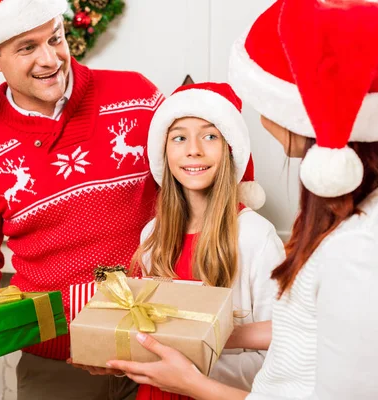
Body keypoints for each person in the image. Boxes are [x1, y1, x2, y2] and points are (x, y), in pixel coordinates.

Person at [106, 0, 378, 399]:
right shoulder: (372, 221)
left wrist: (193, 384)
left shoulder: (358, 252)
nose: (259, 120)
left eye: (264, 102)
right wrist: (207, 335)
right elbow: (304, 334)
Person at [0, 0, 163, 399]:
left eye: (55, 38)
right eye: (27, 48)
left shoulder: (137, 97)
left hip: (157, 346)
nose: (50, 59)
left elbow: (197, 190)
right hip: (56, 363)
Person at [134, 82, 284, 399]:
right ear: (164, 152)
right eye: (179, 137)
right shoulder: (152, 235)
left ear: (229, 148)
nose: (194, 150)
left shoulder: (256, 236)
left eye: (210, 136)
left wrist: (195, 353)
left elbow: (285, 339)